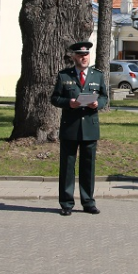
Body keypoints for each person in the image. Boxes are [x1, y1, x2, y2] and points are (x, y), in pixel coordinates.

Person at [51, 41, 109, 215]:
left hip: (90, 127)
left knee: (88, 167)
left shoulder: (97, 75)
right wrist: (70, 103)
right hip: (70, 127)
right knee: (67, 167)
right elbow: (55, 98)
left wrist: (98, 104)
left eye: (86, 55)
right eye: (80, 55)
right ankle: (67, 204)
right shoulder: (64, 76)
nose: (84, 58)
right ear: (74, 57)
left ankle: (88, 202)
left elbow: (105, 97)